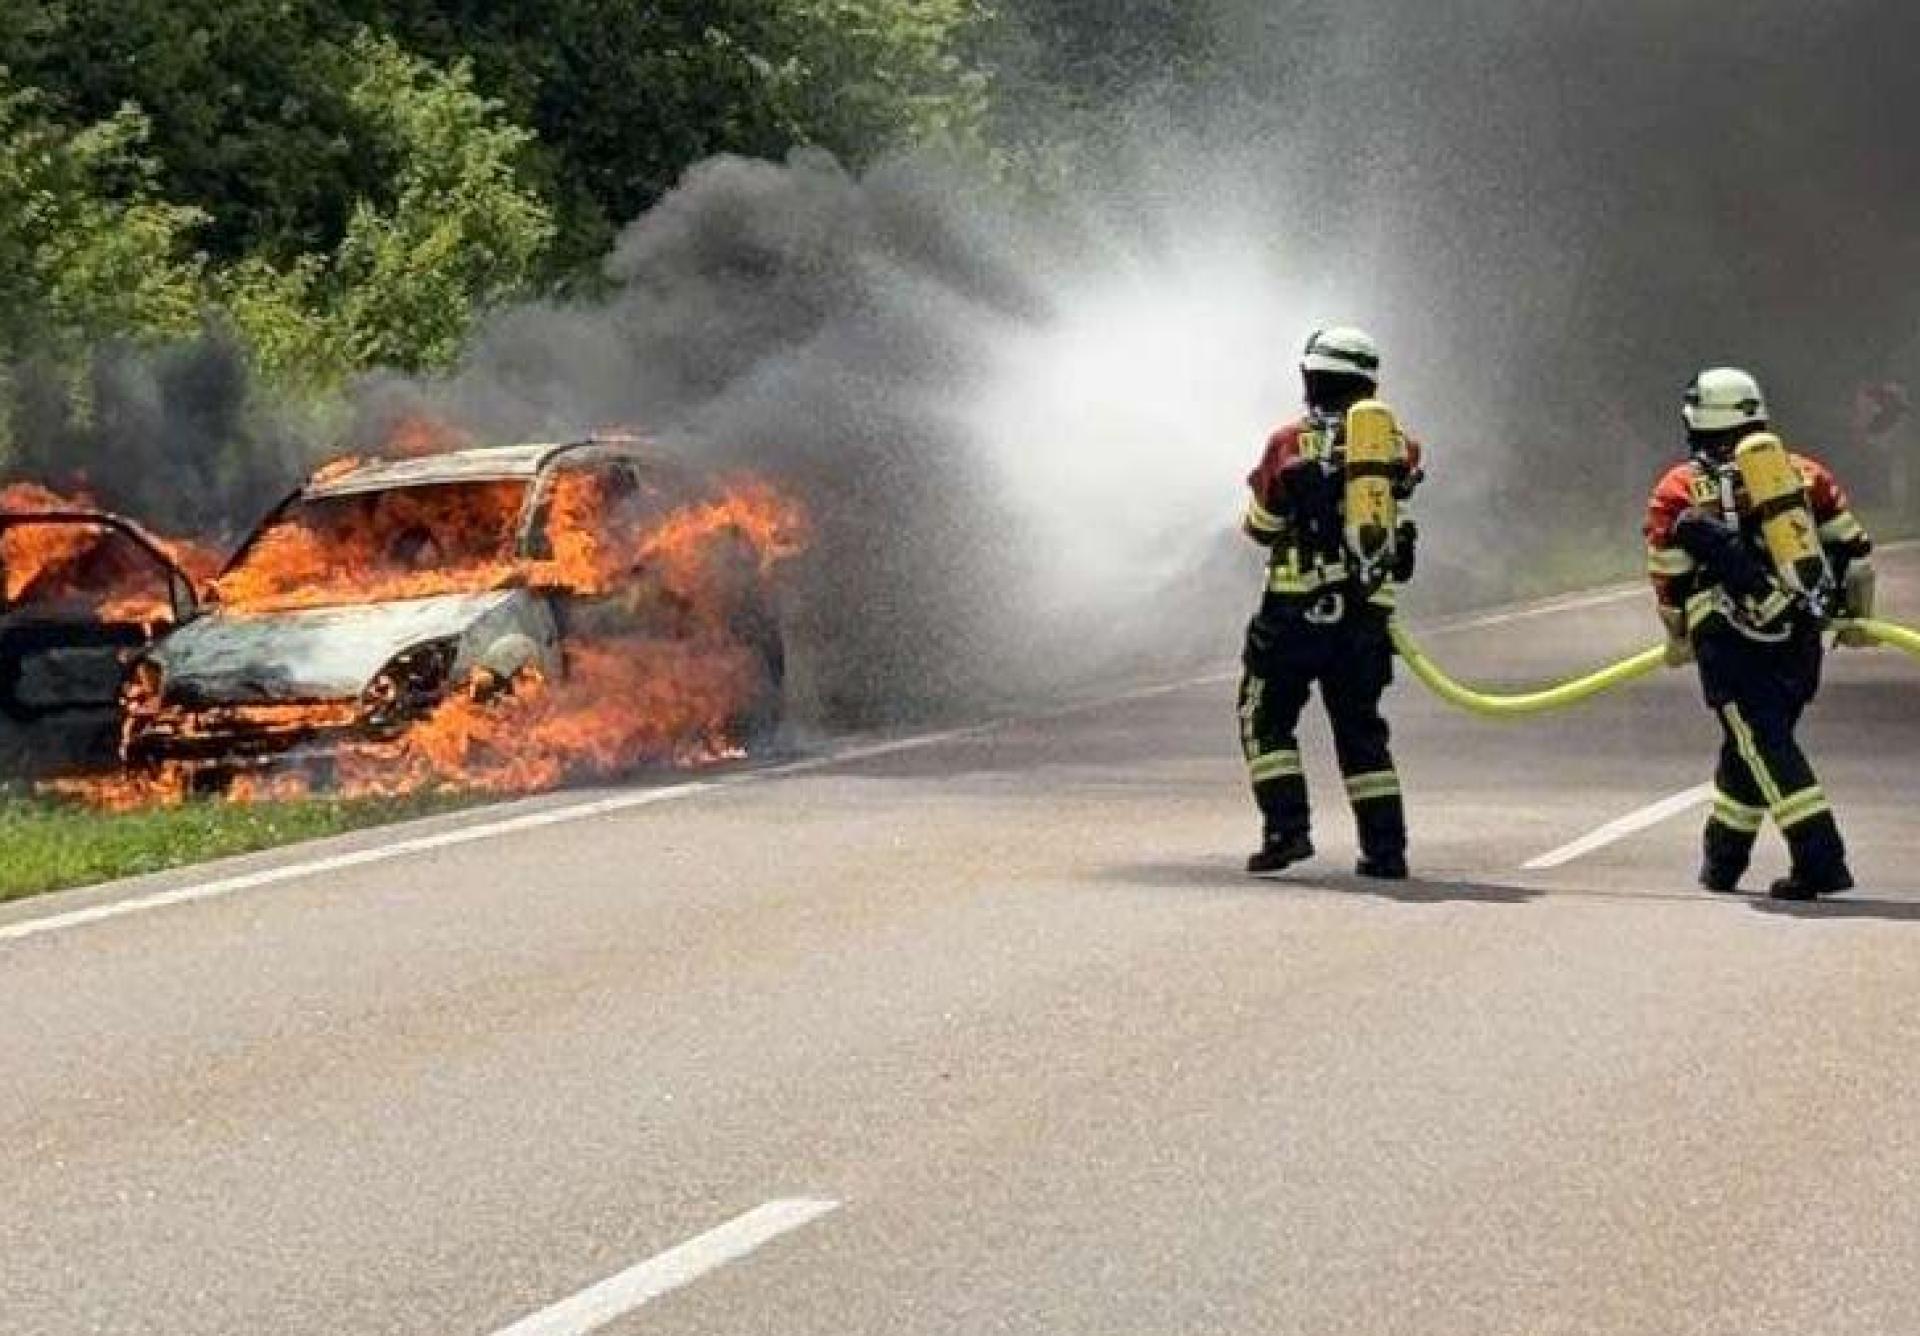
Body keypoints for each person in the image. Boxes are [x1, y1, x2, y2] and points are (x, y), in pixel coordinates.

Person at [1644, 367, 1875, 901]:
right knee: (1748, 746)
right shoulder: (1806, 475)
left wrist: (1678, 636)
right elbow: (1856, 555)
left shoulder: (1679, 489)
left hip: (1729, 640)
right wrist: (1855, 620)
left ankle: (1821, 860)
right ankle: (1721, 864)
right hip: (1800, 637)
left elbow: (1669, 572)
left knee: (1763, 746)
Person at [1238, 327, 1423, 879]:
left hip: (1293, 614)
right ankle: (1386, 851)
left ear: (1310, 378)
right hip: (1365, 616)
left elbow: (1261, 527)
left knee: (1264, 718)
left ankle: (1286, 832)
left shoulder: (1287, 444)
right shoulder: (1398, 447)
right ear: (1369, 383)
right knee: (1360, 728)